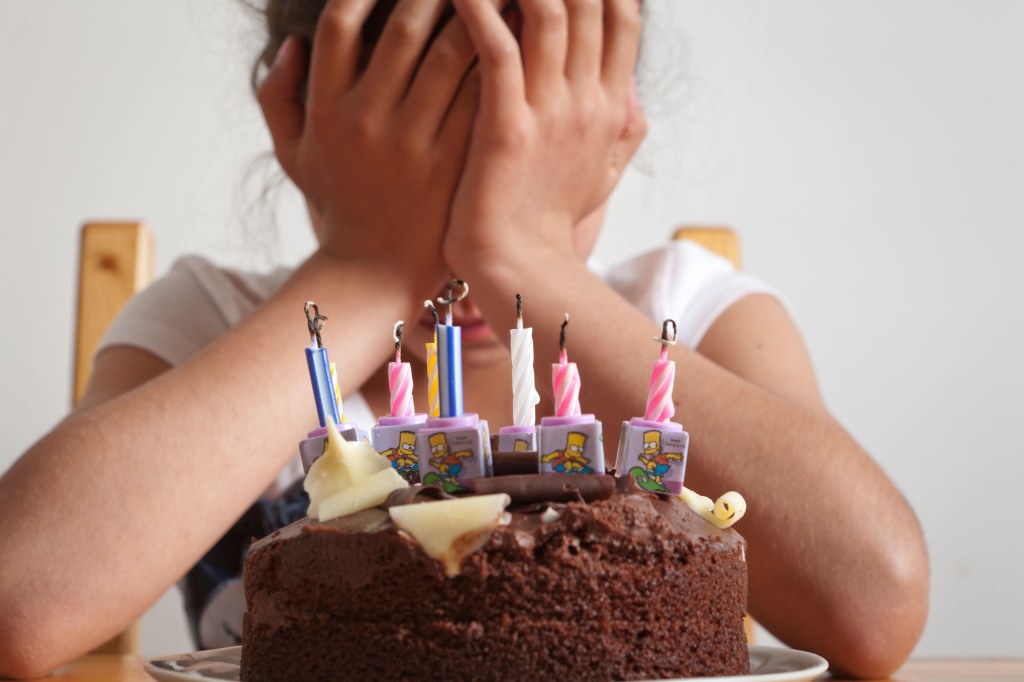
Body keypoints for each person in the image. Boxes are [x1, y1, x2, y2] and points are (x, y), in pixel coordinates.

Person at [0, 0, 928, 678]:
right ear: (298, 130)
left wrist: (528, 261)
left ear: (615, 135)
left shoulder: (694, 311)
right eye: (425, 194)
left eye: (524, 190)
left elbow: (878, 608)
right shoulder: (210, 324)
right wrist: (368, 267)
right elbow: (18, 601)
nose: (462, 259)